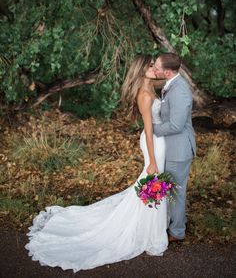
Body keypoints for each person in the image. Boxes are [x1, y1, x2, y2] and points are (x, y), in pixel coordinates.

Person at [25, 54, 168, 273]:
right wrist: (152, 161)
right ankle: (149, 234)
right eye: (150, 65)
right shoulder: (145, 95)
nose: (154, 68)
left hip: (159, 141)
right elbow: (148, 131)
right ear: (141, 69)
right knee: (152, 181)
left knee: (151, 186)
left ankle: (148, 229)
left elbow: (165, 78)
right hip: (153, 143)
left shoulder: (151, 86)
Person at [153, 53, 196, 242]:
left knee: (176, 192)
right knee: (171, 190)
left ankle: (177, 232)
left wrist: (152, 129)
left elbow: (176, 125)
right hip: (171, 148)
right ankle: (173, 224)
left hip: (179, 150)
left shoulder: (180, 90)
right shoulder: (171, 85)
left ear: (168, 72)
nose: (154, 69)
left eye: (156, 67)